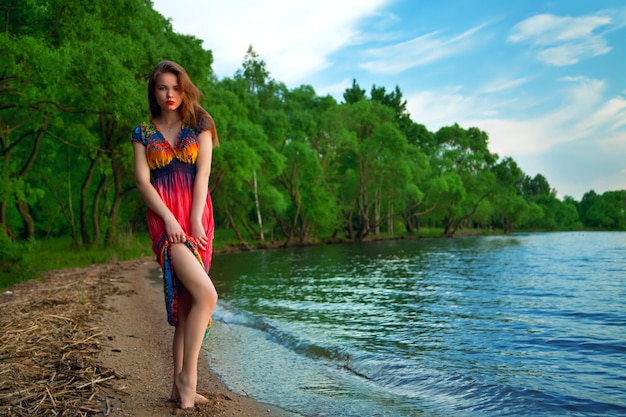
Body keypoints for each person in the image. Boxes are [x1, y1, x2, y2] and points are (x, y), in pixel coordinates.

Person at [131, 60, 219, 409]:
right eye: (163, 87)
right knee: (207, 296)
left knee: (187, 307)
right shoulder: (142, 132)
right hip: (166, 222)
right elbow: (142, 181)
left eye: (176, 87)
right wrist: (169, 219)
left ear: (185, 89)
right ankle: (188, 380)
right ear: (154, 90)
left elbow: (203, 174)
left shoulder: (200, 123)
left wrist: (195, 219)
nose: (170, 94)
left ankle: (176, 386)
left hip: (198, 222)